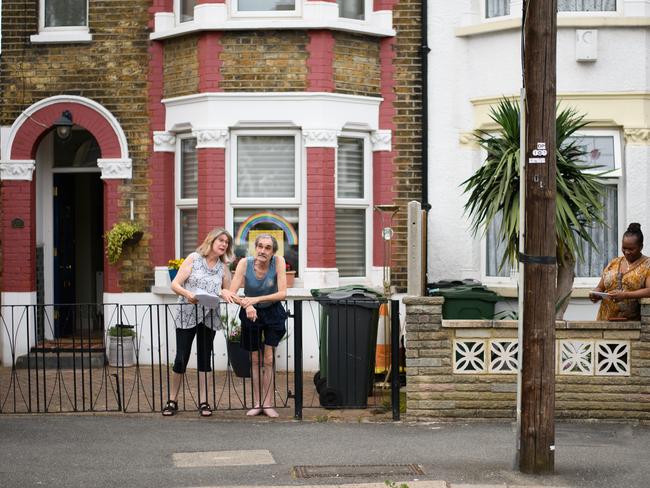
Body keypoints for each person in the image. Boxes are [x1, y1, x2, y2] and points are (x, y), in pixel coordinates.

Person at [163, 227, 238, 417]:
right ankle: (172, 400)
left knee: (205, 359)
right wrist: (188, 294)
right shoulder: (194, 259)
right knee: (181, 357)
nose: (223, 244)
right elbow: (175, 285)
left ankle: (204, 402)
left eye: (226, 242)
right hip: (187, 313)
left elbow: (225, 291)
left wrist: (226, 293)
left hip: (209, 316)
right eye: (220, 240)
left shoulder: (223, 267)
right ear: (211, 241)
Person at [229, 234, 288, 418]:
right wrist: (247, 305)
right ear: (255, 248)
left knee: (269, 358)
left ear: (273, 251)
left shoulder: (278, 262)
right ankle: (257, 403)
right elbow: (231, 293)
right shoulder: (244, 264)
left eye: (268, 247)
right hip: (250, 312)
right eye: (260, 246)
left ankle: (268, 403)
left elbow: (282, 293)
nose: (263, 251)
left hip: (272, 312)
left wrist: (256, 299)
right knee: (254, 359)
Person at [590, 222, 650, 320]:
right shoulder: (614, 263)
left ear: (641, 247)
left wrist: (625, 295)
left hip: (630, 325)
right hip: (604, 322)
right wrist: (596, 294)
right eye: (624, 248)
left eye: (631, 249)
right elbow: (600, 287)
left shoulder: (647, 265)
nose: (627, 252)